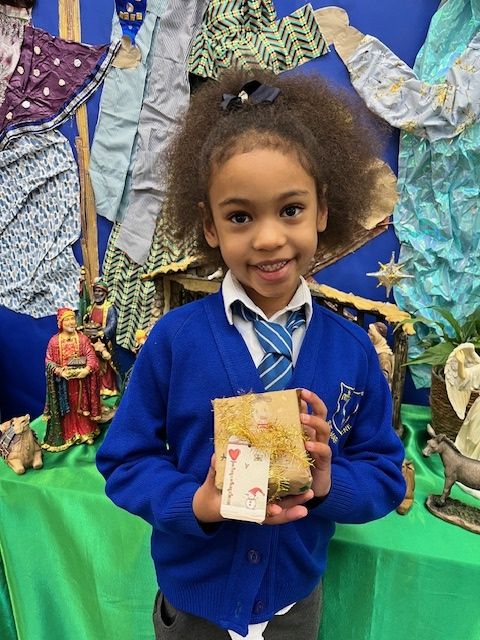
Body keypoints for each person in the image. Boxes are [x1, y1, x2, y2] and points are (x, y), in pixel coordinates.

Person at [96, 69, 406, 640]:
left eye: (290, 210)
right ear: (210, 225)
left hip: (294, 608)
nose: (267, 238)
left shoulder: (353, 351)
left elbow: (385, 474)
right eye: (240, 216)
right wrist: (198, 503)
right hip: (195, 609)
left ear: (322, 211)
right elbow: (125, 461)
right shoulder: (174, 341)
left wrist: (328, 483)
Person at [43, 308, 102, 451]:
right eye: (67, 320)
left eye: (72, 319)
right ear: (60, 323)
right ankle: (68, 434)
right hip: (63, 385)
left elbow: (91, 356)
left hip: (82, 383)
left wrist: (87, 369)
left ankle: (85, 432)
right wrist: (59, 371)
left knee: (81, 406)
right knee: (67, 408)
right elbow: (48, 361)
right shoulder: (54, 342)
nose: (71, 322)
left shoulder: (82, 339)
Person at [83, 276, 120, 396]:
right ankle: (98, 387)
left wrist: (103, 333)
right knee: (95, 364)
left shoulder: (109, 308)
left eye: (100, 291)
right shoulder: (92, 307)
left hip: (104, 342)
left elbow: (112, 323)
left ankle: (109, 388)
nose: (97, 294)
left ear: (105, 293)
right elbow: (89, 319)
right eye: (96, 291)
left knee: (106, 366)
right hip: (92, 340)